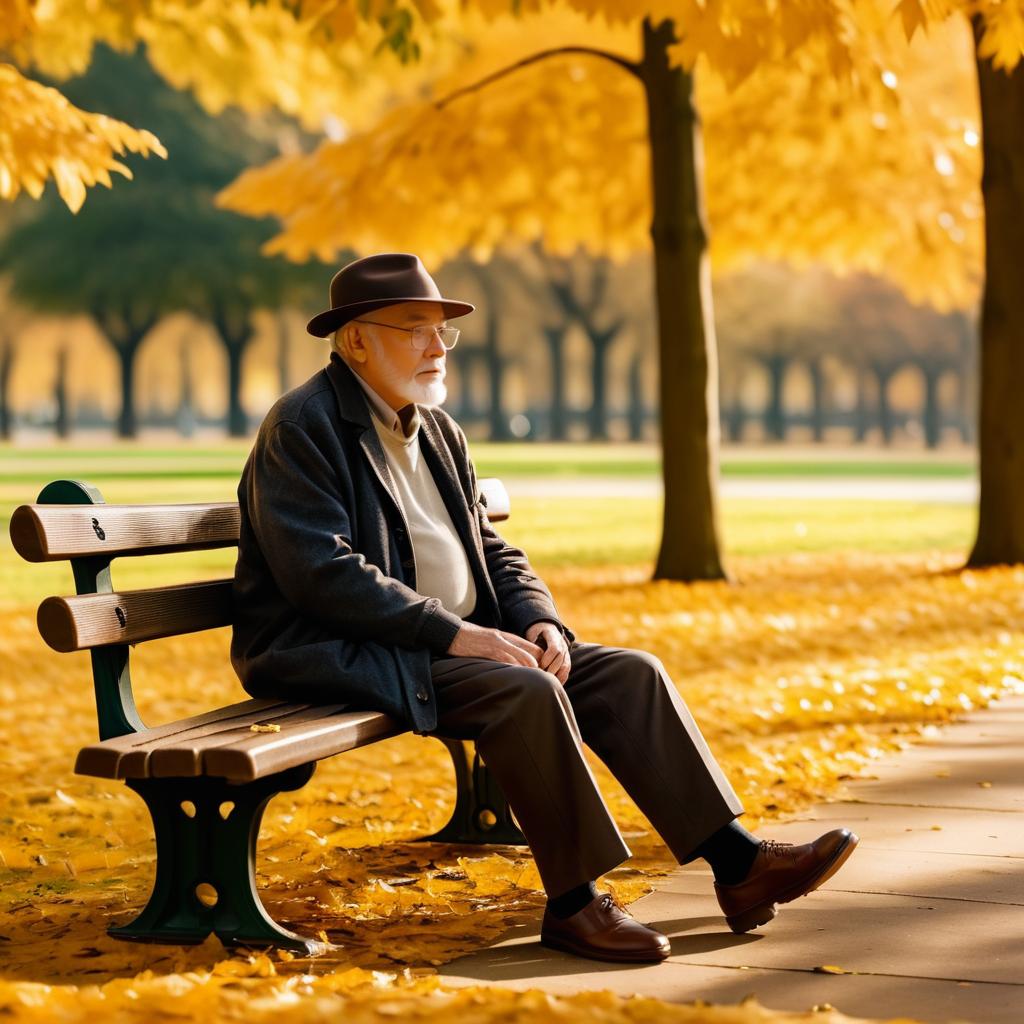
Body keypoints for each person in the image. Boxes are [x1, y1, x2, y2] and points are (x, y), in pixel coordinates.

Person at [230, 252, 858, 964]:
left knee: (628, 673)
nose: (438, 347)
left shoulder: (436, 430)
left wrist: (538, 619)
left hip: (441, 641)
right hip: (337, 649)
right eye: (417, 329)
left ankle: (740, 867)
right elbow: (321, 574)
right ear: (356, 341)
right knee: (522, 691)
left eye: (443, 331)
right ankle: (574, 904)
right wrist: (454, 633)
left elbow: (492, 548)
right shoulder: (302, 426)